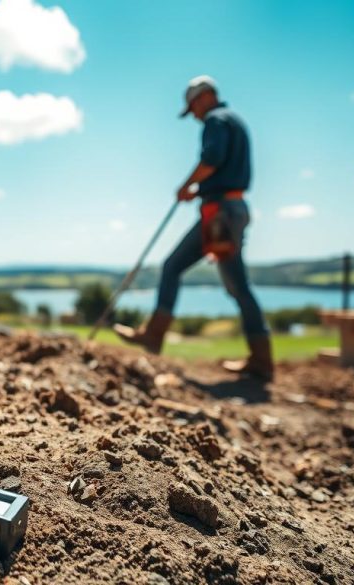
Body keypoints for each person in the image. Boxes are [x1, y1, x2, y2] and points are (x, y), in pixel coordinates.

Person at [115, 75, 274, 381]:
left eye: (193, 109)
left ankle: (154, 335)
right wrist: (199, 191)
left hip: (220, 213)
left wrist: (187, 185)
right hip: (232, 208)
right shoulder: (236, 121)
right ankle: (261, 358)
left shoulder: (216, 121)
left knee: (173, 266)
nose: (195, 116)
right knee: (238, 286)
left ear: (204, 97)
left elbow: (212, 160)